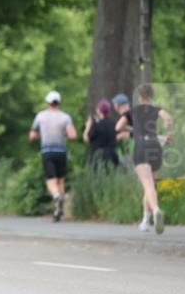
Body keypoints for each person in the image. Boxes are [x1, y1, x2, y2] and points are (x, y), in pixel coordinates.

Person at [115, 84, 174, 234]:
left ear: (139, 97)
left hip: (141, 148)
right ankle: (145, 221)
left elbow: (118, 127)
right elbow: (168, 118)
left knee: (147, 185)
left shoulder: (132, 111)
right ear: (151, 96)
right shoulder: (156, 109)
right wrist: (169, 132)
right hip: (155, 146)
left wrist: (132, 129)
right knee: (150, 186)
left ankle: (155, 211)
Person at [29, 90, 77, 222]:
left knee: (50, 180)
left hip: (47, 151)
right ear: (59, 102)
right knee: (60, 179)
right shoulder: (65, 117)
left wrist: (42, 135)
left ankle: (56, 196)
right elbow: (73, 135)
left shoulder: (40, 116)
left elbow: (32, 135)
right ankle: (59, 211)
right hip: (61, 151)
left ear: (47, 102)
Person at [83, 99, 119, 170]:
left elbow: (87, 140)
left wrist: (87, 126)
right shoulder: (114, 123)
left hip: (98, 155)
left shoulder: (96, 125)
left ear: (99, 110)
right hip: (112, 155)